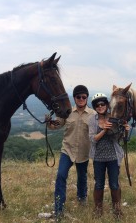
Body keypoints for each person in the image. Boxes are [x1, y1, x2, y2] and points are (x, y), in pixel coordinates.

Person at [46, 85, 96, 220]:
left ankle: (82, 198)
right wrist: (49, 123)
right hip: (67, 150)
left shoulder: (93, 115)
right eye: (78, 97)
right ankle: (58, 208)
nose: (81, 99)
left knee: (82, 177)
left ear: (87, 98)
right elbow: (57, 124)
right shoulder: (66, 112)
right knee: (61, 176)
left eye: (83, 97)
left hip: (83, 152)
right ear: (74, 98)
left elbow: (100, 128)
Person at [88, 93, 130, 219]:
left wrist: (126, 130)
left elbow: (120, 138)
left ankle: (117, 211)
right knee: (99, 184)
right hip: (98, 157)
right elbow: (92, 139)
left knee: (114, 184)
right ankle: (98, 210)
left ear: (106, 105)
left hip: (113, 156)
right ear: (95, 107)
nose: (100, 106)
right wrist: (104, 130)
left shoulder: (113, 117)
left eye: (102, 104)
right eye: (97, 105)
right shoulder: (92, 119)